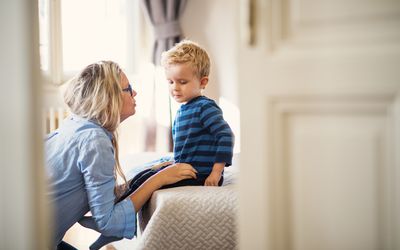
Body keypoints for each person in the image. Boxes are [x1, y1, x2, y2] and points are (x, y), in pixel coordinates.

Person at [85, 40, 235, 249]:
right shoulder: (185, 108)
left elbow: (226, 136)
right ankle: (111, 213)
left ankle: (111, 229)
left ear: (202, 82)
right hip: (186, 166)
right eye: (170, 82)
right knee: (144, 175)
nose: (175, 88)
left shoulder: (205, 108)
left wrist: (216, 172)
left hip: (199, 173)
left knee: (150, 183)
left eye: (182, 81)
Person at [44, 61, 198, 250]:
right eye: (129, 89)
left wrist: (148, 173)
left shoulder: (75, 124)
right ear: (109, 97)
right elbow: (107, 221)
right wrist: (159, 179)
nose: (135, 93)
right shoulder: (95, 140)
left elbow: (99, 194)